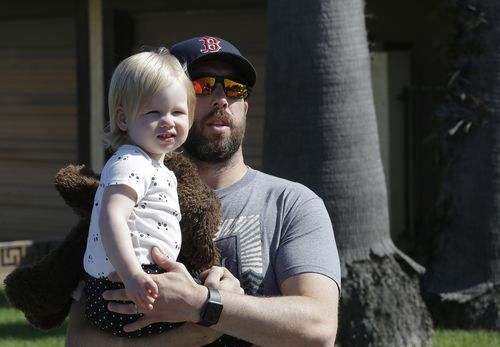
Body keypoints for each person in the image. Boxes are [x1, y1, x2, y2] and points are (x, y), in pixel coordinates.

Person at [65, 36, 341, 347]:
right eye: (203, 86)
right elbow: (78, 339)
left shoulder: (291, 204)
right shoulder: (122, 194)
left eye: (235, 88)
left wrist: (204, 305)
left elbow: (318, 329)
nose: (222, 98)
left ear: (246, 106)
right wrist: (191, 333)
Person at [82, 48, 195, 337]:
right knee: (221, 327)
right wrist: (133, 275)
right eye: (154, 112)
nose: (168, 120)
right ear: (123, 119)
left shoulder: (152, 165)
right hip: (123, 284)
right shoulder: (131, 161)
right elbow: (112, 217)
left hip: (127, 281)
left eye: (178, 112)